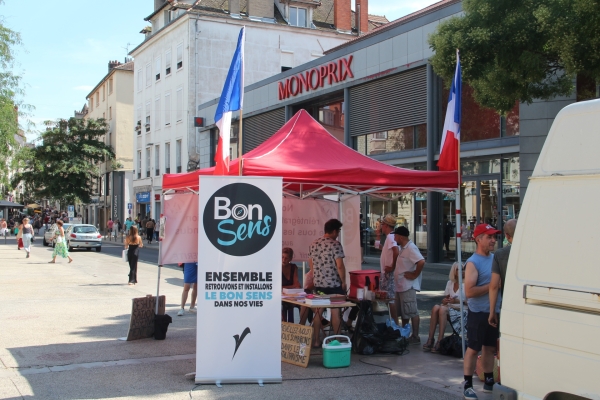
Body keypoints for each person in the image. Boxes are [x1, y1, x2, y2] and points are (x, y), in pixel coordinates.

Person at [462, 223, 502, 399]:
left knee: (489, 348)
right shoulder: (473, 262)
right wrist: (491, 286)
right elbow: (469, 292)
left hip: (494, 310)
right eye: (489, 237)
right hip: (478, 313)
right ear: (479, 240)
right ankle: (468, 384)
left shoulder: (495, 259)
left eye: (494, 237)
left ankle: (489, 381)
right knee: (473, 348)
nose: (493, 240)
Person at [308, 218, 347, 348]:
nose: (338, 234)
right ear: (335, 231)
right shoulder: (335, 244)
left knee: (318, 312)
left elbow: (311, 262)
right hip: (334, 285)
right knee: (336, 312)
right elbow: (340, 265)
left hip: (319, 284)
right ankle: (337, 340)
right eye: (338, 231)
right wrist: (344, 282)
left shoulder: (314, 243)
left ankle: (316, 340)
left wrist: (315, 275)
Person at [423, 262, 467, 352]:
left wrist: (457, 301)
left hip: (463, 310)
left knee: (442, 309)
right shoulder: (450, 283)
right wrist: (445, 301)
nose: (462, 271)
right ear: (454, 271)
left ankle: (440, 341)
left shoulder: (467, 284)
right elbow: (446, 299)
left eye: (463, 269)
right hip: (450, 308)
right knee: (436, 307)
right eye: (460, 269)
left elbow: (471, 302)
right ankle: (430, 339)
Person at [393, 226, 425, 345]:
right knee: (404, 312)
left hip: (408, 285)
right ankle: (405, 333)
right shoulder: (402, 248)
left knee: (412, 311)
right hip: (401, 285)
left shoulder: (411, 248)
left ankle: (415, 335)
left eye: (395, 236)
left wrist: (415, 274)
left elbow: (421, 261)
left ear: (401, 237)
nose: (394, 238)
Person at [488, 219, 517, 328]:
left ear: (507, 236)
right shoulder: (534, 251)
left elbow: (494, 286)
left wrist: (492, 312)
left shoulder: (500, 254)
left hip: (509, 304)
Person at [376, 214, 399, 324]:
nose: (381, 226)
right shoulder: (390, 237)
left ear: (385, 225)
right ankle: (392, 322)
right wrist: (378, 237)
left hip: (387, 272)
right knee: (387, 298)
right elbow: (384, 250)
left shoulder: (390, 237)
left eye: (382, 224)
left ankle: (394, 323)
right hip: (386, 271)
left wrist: (392, 266)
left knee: (389, 298)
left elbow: (396, 251)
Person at [281, 247, 300, 322]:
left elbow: (297, 284)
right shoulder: (277, 267)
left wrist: (284, 288)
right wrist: (291, 287)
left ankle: (301, 326)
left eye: (286, 258)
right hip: (282, 296)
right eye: (282, 257)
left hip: (292, 295)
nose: (283, 260)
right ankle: (287, 326)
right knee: (286, 304)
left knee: (304, 304)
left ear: (290, 259)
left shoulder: (293, 267)